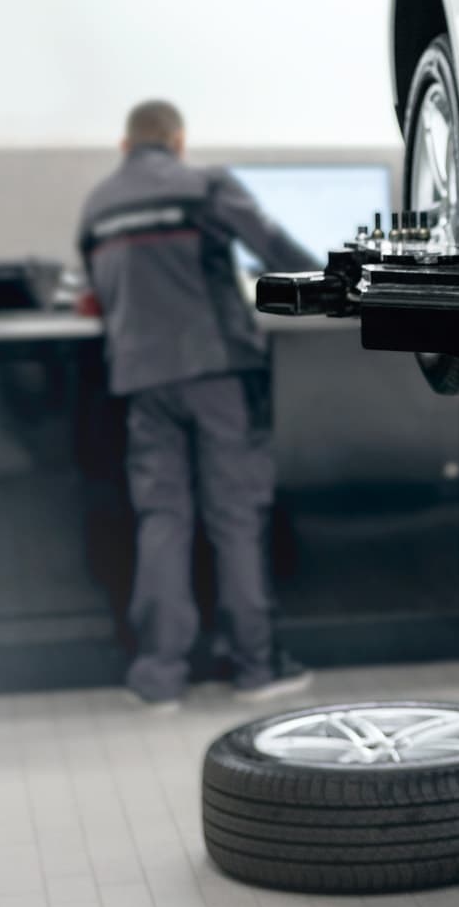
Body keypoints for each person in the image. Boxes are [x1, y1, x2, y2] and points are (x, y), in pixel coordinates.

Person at [78, 100, 320, 712]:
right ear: (177, 140)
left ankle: (158, 676)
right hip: (215, 372)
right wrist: (340, 283)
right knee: (235, 515)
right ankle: (255, 668)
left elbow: (99, 294)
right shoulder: (205, 185)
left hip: (141, 380)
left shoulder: (97, 205)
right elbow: (275, 248)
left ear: (125, 142)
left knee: (163, 519)